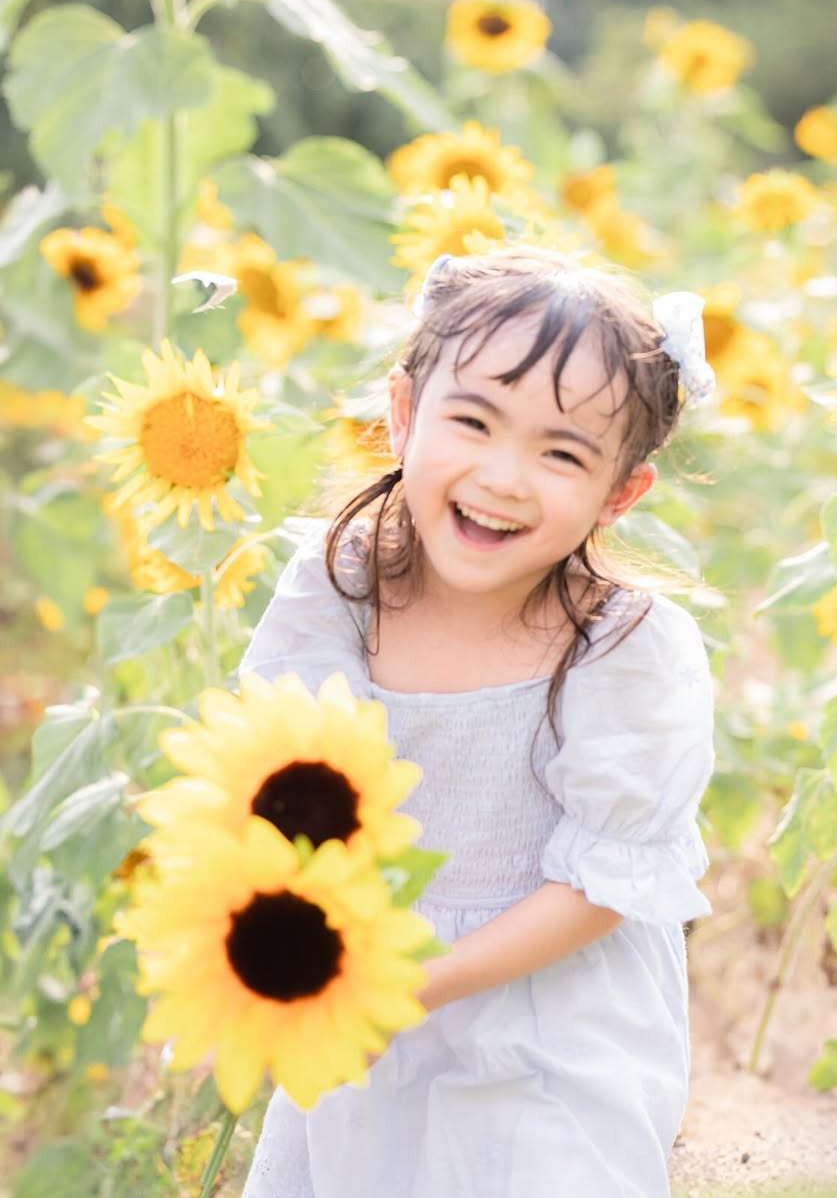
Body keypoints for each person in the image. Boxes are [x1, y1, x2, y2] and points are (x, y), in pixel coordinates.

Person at [240, 247, 717, 1198]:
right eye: (473, 421)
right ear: (404, 415)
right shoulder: (339, 588)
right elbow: (281, 778)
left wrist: (410, 987)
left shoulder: (622, 647)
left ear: (620, 492)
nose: (504, 476)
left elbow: (601, 884)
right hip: (365, 974)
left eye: (561, 452)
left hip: (551, 1010)